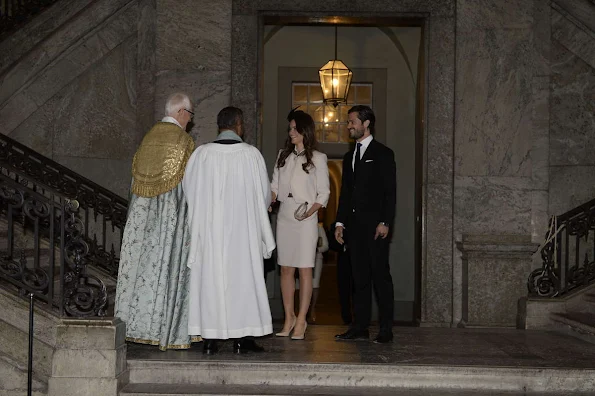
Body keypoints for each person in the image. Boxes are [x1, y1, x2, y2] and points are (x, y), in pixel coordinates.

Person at [183, 106, 275, 355]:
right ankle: (242, 340)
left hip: (211, 233)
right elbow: (264, 195)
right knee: (243, 283)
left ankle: (210, 340)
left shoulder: (201, 155)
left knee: (211, 283)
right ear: (239, 125)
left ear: (219, 125)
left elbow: (189, 191)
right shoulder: (251, 155)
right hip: (242, 235)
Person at [114, 92, 198, 351]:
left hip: (141, 223)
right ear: (182, 113)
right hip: (168, 224)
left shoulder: (148, 139)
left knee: (141, 269)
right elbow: (189, 187)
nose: (190, 121)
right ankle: (166, 332)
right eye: (190, 115)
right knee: (166, 268)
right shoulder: (183, 142)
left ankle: (134, 326)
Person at [334, 105, 397, 344]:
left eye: (352, 122)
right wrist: (340, 222)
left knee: (380, 277)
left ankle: (386, 329)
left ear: (366, 123)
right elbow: (346, 193)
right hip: (354, 229)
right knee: (358, 278)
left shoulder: (383, 153)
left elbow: (390, 192)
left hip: (375, 228)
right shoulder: (349, 156)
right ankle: (359, 326)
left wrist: (385, 221)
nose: (349, 126)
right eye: (349, 122)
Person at [271, 109, 330, 340]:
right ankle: (289, 317)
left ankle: (302, 320)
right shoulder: (281, 156)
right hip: (285, 215)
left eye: (295, 128)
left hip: (306, 218)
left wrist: (309, 213)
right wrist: (270, 198)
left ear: (305, 130)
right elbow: (274, 185)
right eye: (290, 128)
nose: (291, 132)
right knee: (286, 268)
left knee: (305, 269)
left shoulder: (318, 158)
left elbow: (324, 193)